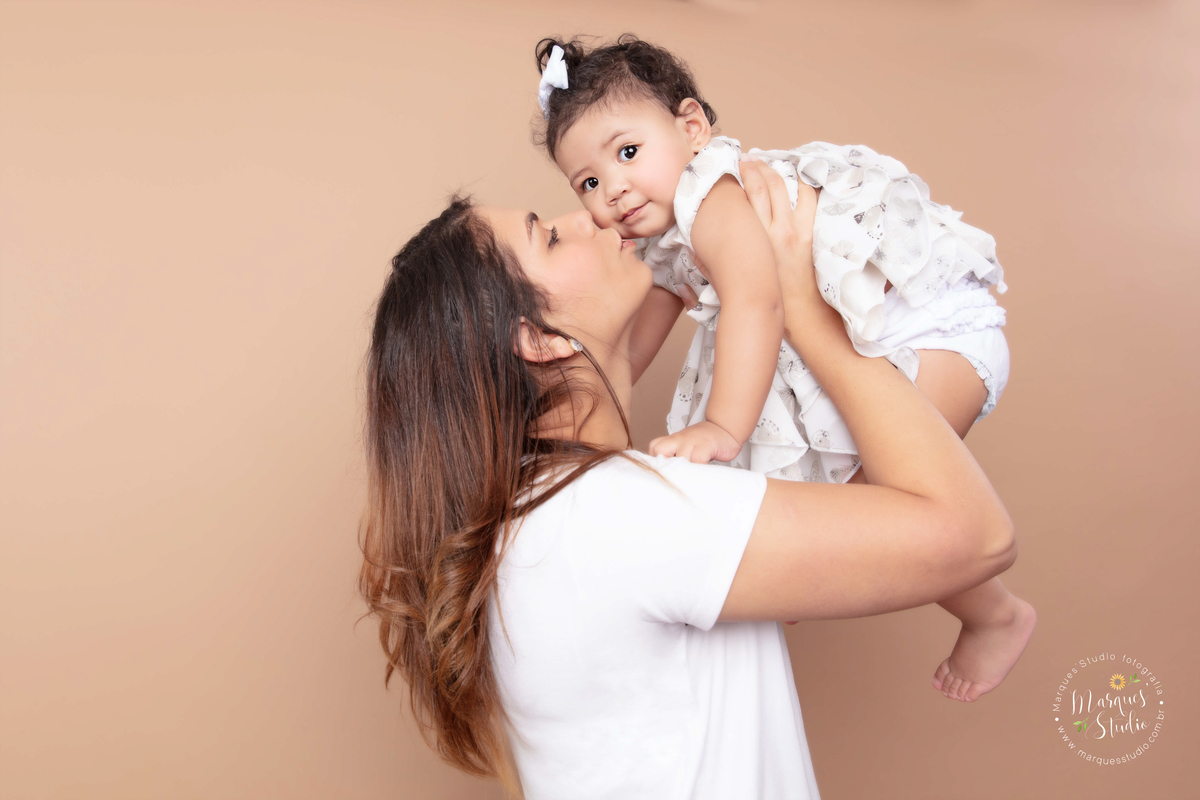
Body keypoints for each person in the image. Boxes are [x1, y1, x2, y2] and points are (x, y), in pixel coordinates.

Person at [359, 160, 1019, 799]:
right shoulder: (617, 516)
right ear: (538, 339)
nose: (586, 217)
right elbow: (976, 537)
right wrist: (805, 307)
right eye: (550, 237)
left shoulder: (540, 525)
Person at [533, 35, 1034, 703]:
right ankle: (990, 610)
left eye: (627, 153)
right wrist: (565, 413)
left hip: (934, 331)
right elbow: (623, 355)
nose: (614, 190)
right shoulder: (663, 241)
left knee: (877, 525)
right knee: (866, 527)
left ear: (691, 128)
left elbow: (757, 300)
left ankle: (996, 613)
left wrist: (721, 428)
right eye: (588, 183)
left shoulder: (711, 192)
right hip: (876, 351)